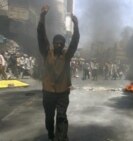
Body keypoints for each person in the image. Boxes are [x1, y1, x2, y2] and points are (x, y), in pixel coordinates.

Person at [37, 5, 80, 141]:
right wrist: (42, 17)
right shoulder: (46, 53)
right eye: (57, 43)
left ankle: (60, 137)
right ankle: (51, 133)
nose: (60, 45)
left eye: (62, 43)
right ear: (53, 44)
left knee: (61, 117)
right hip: (48, 92)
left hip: (62, 92)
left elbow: (74, 42)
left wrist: (76, 26)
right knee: (49, 118)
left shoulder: (66, 55)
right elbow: (41, 36)